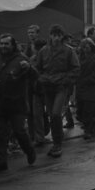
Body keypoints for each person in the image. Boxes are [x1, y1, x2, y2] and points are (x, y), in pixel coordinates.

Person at [0, 34, 37, 170]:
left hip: (17, 104)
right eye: (1, 43)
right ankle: (0, 162)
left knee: (19, 131)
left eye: (6, 44)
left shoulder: (21, 59)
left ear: (12, 45)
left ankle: (30, 151)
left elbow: (34, 77)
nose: (3, 46)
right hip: (0, 104)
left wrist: (29, 68)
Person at [33, 24, 80, 159]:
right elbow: (37, 67)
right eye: (54, 35)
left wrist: (64, 79)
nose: (56, 38)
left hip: (60, 87)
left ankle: (57, 144)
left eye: (59, 35)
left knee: (55, 114)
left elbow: (76, 69)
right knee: (50, 115)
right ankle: (55, 142)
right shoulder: (43, 51)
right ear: (50, 36)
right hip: (48, 87)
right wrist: (42, 78)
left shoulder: (68, 51)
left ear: (62, 36)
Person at [76, 38, 95, 140]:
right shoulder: (79, 58)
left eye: (87, 46)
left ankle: (89, 129)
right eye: (83, 47)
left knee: (89, 109)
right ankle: (88, 124)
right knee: (81, 110)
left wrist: (86, 80)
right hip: (80, 86)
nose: (85, 48)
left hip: (90, 87)